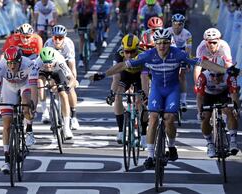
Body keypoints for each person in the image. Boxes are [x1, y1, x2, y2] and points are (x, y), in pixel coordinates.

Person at [90, 29, 227, 169]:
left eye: (165, 43)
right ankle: (150, 156)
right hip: (156, 89)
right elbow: (123, 65)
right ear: (155, 43)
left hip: (172, 90)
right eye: (159, 43)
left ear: (170, 43)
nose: (162, 46)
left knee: (169, 118)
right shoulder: (147, 55)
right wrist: (103, 74)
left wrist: (225, 70)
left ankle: (172, 147)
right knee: (153, 117)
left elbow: (202, 63)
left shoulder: (178, 54)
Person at [0, 46, 38, 173]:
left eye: (14, 63)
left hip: (25, 85)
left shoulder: (30, 65)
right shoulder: (0, 66)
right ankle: (6, 160)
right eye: (9, 63)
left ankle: (29, 130)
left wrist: (33, 107)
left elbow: (34, 88)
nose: (11, 66)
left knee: (26, 103)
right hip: (9, 88)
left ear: (20, 61)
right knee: (6, 123)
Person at [105, 34, 149, 147]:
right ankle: (120, 131)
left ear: (138, 49)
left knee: (142, 102)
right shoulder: (118, 55)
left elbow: (144, 78)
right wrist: (112, 93)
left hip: (139, 76)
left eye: (133, 51)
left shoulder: (143, 55)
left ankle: (144, 134)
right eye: (126, 52)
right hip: (125, 76)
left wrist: (145, 95)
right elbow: (116, 76)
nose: (129, 55)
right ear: (123, 49)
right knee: (118, 95)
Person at [195, 61, 240, 157]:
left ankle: (233, 141)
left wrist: (236, 108)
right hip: (208, 96)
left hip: (223, 94)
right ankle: (210, 143)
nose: (215, 78)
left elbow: (234, 94)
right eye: (212, 75)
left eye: (218, 75)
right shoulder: (203, 76)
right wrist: (200, 111)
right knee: (205, 117)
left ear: (223, 73)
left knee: (230, 111)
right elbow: (199, 96)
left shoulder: (229, 76)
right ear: (209, 73)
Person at [43, 25, 80, 129]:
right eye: (55, 37)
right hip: (52, 66)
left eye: (60, 38)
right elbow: (45, 65)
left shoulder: (69, 44)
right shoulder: (48, 44)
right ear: (52, 37)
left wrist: (73, 79)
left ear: (64, 38)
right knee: (52, 85)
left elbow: (72, 65)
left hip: (64, 66)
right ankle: (53, 111)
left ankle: (74, 116)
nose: (57, 40)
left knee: (70, 88)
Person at [36, 47, 77, 139]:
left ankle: (66, 128)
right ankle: (45, 112)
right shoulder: (37, 62)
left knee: (63, 95)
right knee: (39, 83)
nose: (48, 65)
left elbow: (71, 78)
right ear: (41, 60)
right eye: (45, 62)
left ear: (54, 60)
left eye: (50, 62)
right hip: (43, 73)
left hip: (57, 72)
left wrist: (68, 86)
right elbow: (30, 79)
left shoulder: (60, 61)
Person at [167, 13, 192, 111]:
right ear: (172, 23)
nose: (177, 26)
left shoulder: (187, 34)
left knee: (182, 75)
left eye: (180, 24)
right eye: (175, 24)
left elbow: (188, 50)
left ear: (183, 24)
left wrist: (188, 62)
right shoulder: (167, 32)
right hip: (170, 52)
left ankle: (183, 100)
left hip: (182, 53)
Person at [73, 0, 98, 67]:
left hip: (89, 20)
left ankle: (92, 43)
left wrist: (94, 25)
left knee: (91, 27)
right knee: (81, 39)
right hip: (82, 21)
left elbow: (94, 15)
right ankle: (81, 59)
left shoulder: (92, 4)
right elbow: (75, 14)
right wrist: (75, 24)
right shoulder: (79, 4)